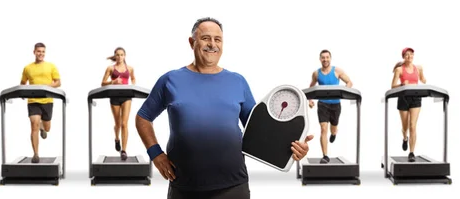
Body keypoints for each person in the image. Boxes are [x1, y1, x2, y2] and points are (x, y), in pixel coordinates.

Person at [135, 17, 314, 199]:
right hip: (184, 186)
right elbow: (143, 117)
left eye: (217, 39)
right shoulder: (169, 80)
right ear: (192, 42)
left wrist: (292, 146)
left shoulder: (238, 81)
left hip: (233, 186)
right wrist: (155, 154)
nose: (212, 44)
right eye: (205, 38)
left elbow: (258, 130)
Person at [307, 49, 353, 164]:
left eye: (327, 57)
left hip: (335, 104)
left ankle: (334, 133)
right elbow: (311, 87)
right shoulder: (316, 73)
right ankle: (325, 156)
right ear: (320, 59)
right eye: (323, 57)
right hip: (322, 104)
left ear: (330, 58)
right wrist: (310, 100)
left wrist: (343, 94)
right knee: (323, 129)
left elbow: (349, 82)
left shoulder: (337, 70)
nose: (325, 59)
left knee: (333, 128)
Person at [20, 42, 61, 163]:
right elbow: (23, 82)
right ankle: (36, 154)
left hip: (47, 100)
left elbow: (58, 82)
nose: (40, 54)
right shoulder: (28, 68)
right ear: (34, 52)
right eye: (38, 51)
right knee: (34, 125)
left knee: (47, 128)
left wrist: (47, 87)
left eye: (43, 52)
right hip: (33, 101)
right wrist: (22, 92)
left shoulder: (51, 66)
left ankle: (43, 127)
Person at [100, 47, 137, 160]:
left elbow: (133, 79)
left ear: (124, 56)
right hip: (114, 96)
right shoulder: (110, 68)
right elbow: (102, 83)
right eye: (118, 55)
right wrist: (113, 82)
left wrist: (133, 85)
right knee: (118, 123)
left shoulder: (129, 68)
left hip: (127, 96)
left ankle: (124, 150)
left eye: (122, 55)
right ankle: (117, 138)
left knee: (125, 123)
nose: (120, 57)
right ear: (115, 56)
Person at [391, 47, 426, 162]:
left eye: (411, 54)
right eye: (407, 55)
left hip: (416, 97)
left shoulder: (418, 68)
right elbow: (392, 86)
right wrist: (402, 84)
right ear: (403, 57)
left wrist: (422, 76)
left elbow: (423, 80)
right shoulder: (399, 70)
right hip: (403, 98)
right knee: (405, 126)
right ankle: (404, 138)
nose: (409, 56)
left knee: (413, 126)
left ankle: (411, 152)